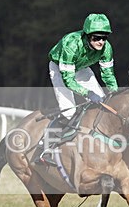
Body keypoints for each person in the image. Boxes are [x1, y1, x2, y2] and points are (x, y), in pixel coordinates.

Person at [37, 13, 119, 164]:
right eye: (96, 38)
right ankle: (44, 148)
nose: (101, 42)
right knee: (69, 110)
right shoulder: (71, 43)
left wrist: (115, 93)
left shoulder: (106, 49)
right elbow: (68, 79)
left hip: (82, 68)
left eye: (104, 37)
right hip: (60, 69)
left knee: (103, 104)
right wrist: (87, 93)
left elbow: (108, 75)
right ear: (87, 35)